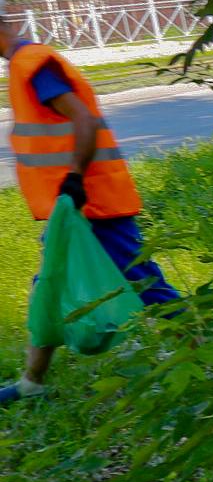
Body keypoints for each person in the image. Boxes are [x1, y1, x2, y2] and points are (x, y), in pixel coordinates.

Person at [3, 36, 182, 406]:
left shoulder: (33, 65)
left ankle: (205, 357)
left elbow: (81, 118)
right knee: (48, 286)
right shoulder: (25, 63)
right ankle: (32, 381)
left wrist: (75, 177)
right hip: (72, 207)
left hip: (92, 204)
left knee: (146, 282)